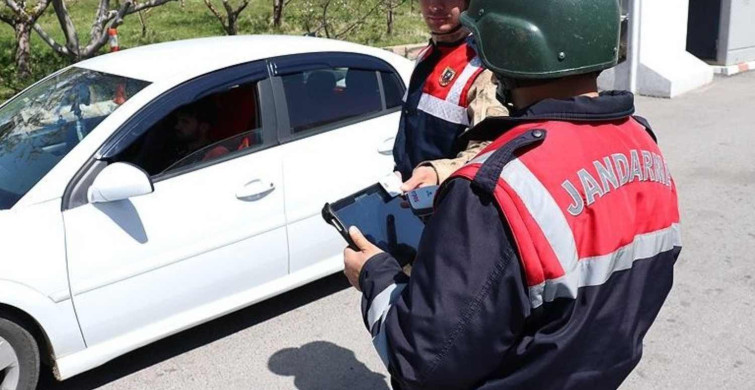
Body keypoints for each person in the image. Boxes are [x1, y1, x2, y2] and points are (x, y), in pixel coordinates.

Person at [343, 0, 682, 389]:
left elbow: (419, 361)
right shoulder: (643, 146)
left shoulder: (495, 190)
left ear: (506, 46)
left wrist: (374, 276)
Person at [394, 0, 507, 191]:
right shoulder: (426, 55)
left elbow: (491, 148)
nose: (435, 6)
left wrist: (438, 173)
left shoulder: (482, 67)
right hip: (412, 193)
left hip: (448, 199)